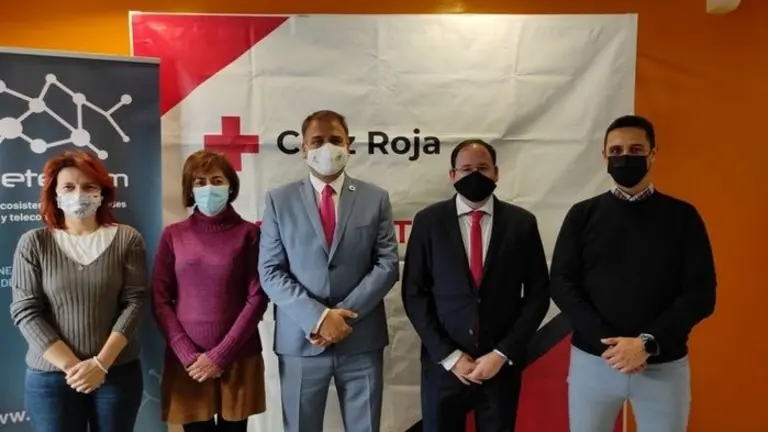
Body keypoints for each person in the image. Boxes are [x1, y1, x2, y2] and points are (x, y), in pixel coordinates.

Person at [550, 115, 717, 432]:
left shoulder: (683, 217)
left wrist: (646, 343)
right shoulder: (582, 215)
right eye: (616, 151)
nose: (625, 157)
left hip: (662, 366)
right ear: (604, 156)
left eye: (635, 149)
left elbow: (701, 294)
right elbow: (561, 283)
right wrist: (611, 346)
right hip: (594, 363)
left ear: (653, 154)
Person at [258, 110, 399, 432]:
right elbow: (270, 271)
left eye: (335, 140)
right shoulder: (279, 200)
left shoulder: (375, 198)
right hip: (300, 340)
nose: (327, 148)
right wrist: (319, 318)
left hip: (361, 339)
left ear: (348, 145)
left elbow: (387, 264)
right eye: (317, 141)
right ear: (303, 149)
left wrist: (342, 318)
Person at [401, 139, 550, 432]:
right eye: (466, 169)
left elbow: (538, 295)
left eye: (482, 168)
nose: (475, 175)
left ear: (496, 172)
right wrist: (451, 357)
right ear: (452, 175)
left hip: (499, 367)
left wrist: (502, 353)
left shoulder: (522, 223)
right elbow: (414, 293)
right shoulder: (428, 222)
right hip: (444, 366)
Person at [9, 150, 147, 432]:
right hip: (50, 378)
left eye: (88, 186)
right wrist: (78, 369)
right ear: (55, 194)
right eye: (69, 187)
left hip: (116, 372)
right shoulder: (33, 243)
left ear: (102, 192)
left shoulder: (127, 238)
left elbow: (134, 302)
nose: (79, 194)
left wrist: (101, 364)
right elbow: (25, 311)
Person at [152, 150, 269, 432]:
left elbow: (257, 297)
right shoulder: (173, 235)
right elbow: (159, 297)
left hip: (239, 355)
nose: (208, 188)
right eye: (200, 182)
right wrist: (184, 350)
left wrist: (221, 354)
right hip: (188, 361)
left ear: (230, 186)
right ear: (190, 189)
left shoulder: (249, 234)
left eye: (216, 181)